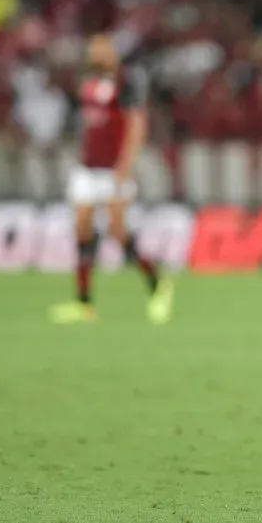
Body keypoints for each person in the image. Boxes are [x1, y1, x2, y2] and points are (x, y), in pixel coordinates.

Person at [49, 35, 173, 325]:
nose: (95, 54)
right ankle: (84, 303)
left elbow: (136, 125)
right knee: (82, 228)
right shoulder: (87, 81)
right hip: (88, 167)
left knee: (118, 231)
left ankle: (157, 284)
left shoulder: (125, 82)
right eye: (92, 49)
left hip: (113, 168)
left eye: (101, 49)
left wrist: (125, 167)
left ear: (112, 53)